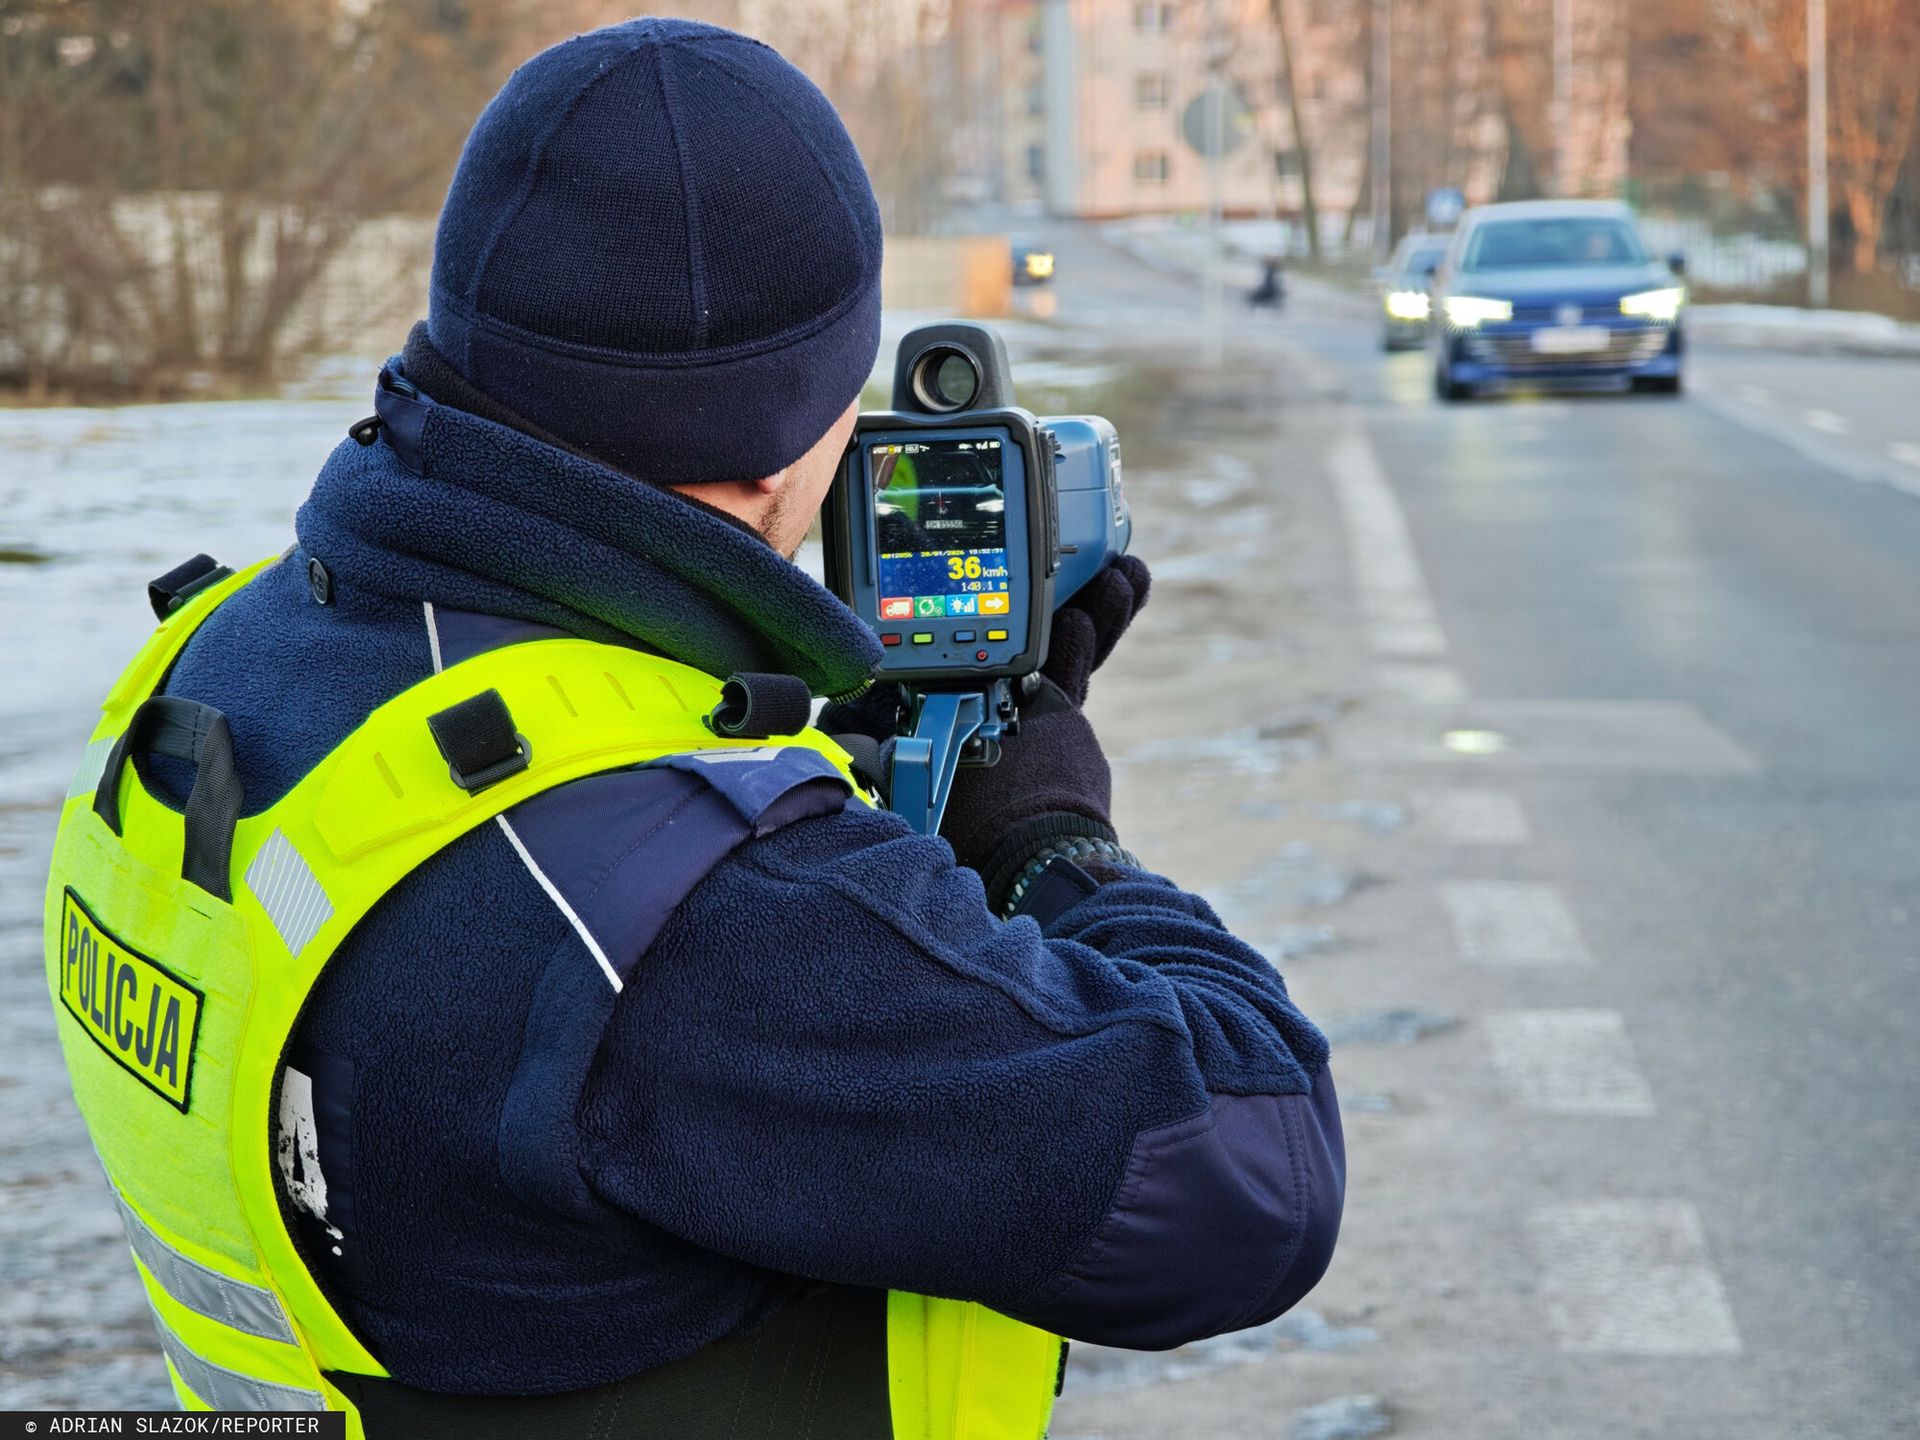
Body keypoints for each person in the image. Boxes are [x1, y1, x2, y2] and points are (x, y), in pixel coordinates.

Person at [44, 19, 1342, 1436]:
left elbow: (494, 926)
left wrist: (811, 762)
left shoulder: (230, 665)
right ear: (790, 432)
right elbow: (1250, 1173)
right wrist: (1050, 836)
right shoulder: (690, 918)